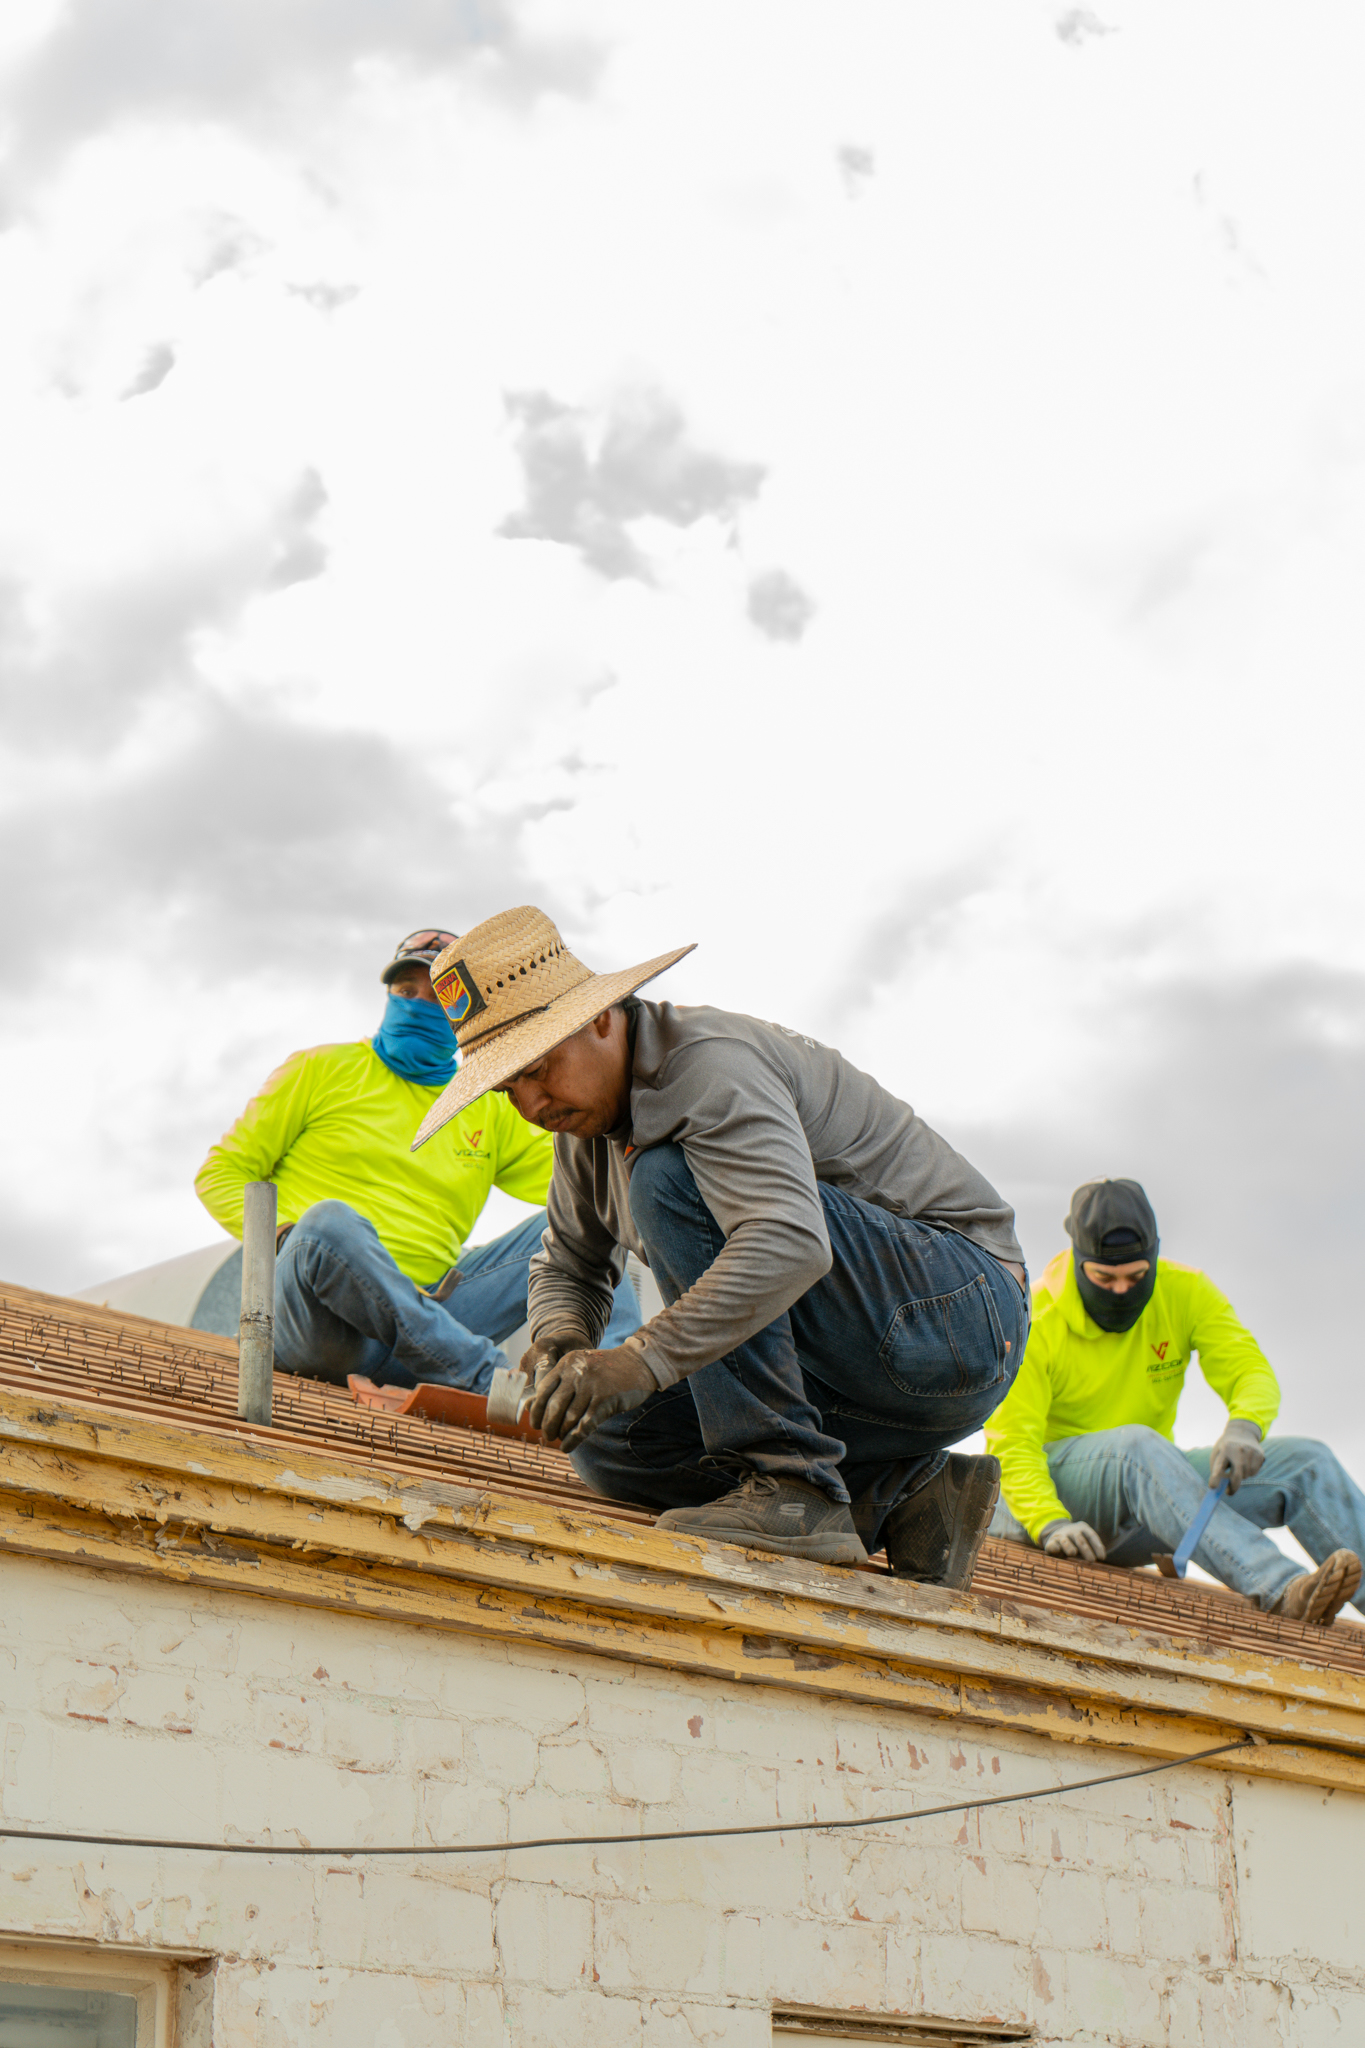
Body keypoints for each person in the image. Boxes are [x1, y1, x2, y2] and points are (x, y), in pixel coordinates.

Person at [408, 906, 1029, 1579]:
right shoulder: (580, 1132)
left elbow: (789, 1242)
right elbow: (567, 1261)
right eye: (508, 1089)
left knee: (667, 1177)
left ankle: (791, 1488)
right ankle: (903, 1493)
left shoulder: (704, 1067)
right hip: (868, 1377)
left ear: (598, 1017)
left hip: (957, 1320)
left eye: (540, 1067)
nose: (530, 1104)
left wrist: (639, 1359)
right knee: (609, 1439)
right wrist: (562, 1340)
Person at [195, 926, 641, 1391]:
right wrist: (286, 1235)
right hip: (320, 1327)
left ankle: (609, 1393)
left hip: (432, 1332)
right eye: (406, 991)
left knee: (587, 1222)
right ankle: (494, 1384)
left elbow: (587, 1181)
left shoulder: (489, 1103)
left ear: (461, 1019)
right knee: (327, 1223)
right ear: (388, 994)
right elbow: (221, 1173)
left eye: (436, 998)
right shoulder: (320, 1069)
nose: (417, 1003)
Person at [985, 1177, 1364, 1626]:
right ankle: (1283, 1588)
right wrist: (1049, 1521)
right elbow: (1011, 1442)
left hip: (1145, 1502)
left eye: (1135, 1277)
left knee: (1306, 1462)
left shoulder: (1186, 1292)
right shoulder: (1038, 1315)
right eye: (1104, 1278)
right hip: (1051, 1507)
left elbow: (1250, 1370)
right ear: (1080, 1260)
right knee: (1138, 1448)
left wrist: (1246, 1425)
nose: (1121, 1291)